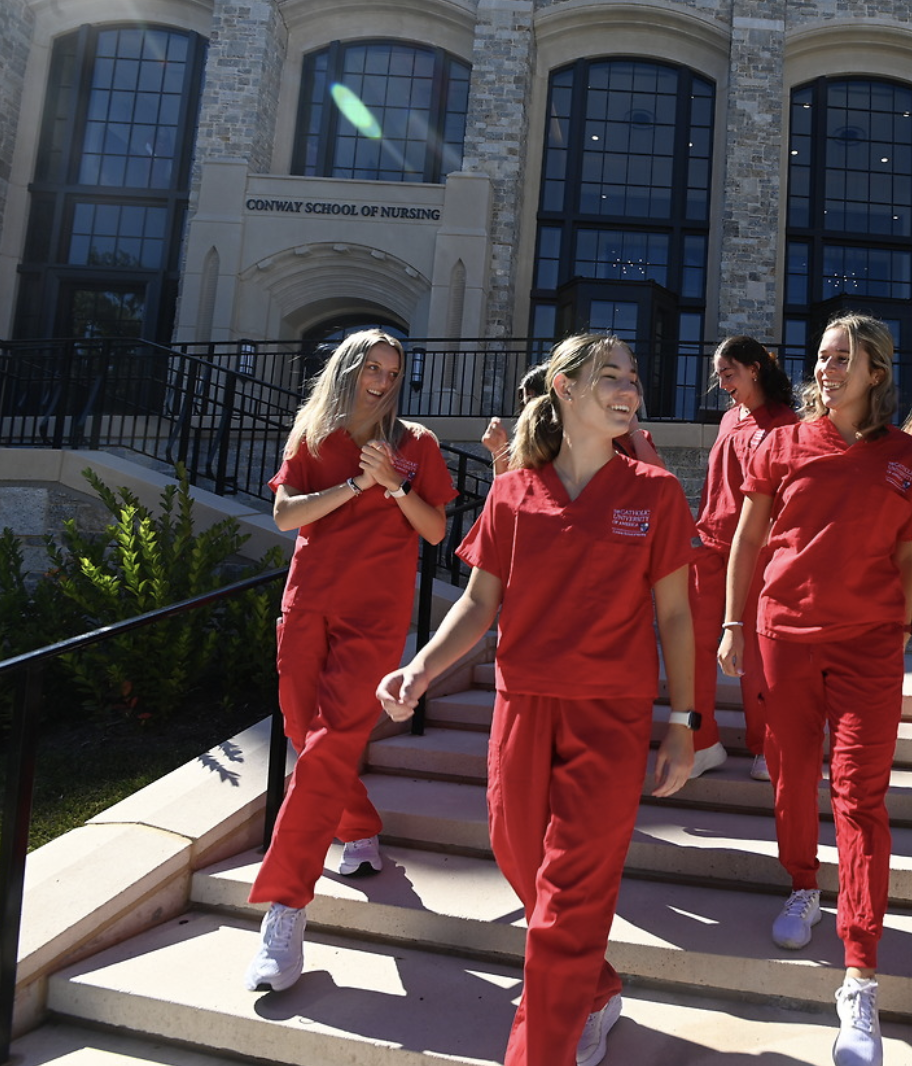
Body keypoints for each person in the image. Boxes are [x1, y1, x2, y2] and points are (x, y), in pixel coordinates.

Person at [376, 333, 697, 1066]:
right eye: (611, 375)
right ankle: (596, 986)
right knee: (521, 857)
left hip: (610, 714)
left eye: (634, 377)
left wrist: (684, 719)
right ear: (565, 387)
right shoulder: (515, 489)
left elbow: (676, 614)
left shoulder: (656, 492)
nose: (630, 389)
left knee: (563, 904)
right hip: (522, 706)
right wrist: (419, 669)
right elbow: (481, 601)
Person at [719, 313, 912, 1066]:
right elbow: (750, 537)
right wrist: (734, 624)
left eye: (844, 358)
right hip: (784, 636)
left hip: (869, 647)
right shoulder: (778, 443)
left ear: (877, 370)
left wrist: (909, 634)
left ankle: (860, 975)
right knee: (789, 775)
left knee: (861, 798)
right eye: (822, 357)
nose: (827, 368)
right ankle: (803, 884)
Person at [244, 329, 456, 993]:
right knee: (303, 733)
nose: (382, 380)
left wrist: (392, 485)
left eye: (392, 370)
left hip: (375, 614)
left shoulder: (416, 443)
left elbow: (437, 530)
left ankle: (286, 907)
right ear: (348, 368)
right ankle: (359, 826)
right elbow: (285, 515)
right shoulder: (312, 434)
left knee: (332, 745)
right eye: (372, 367)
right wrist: (355, 483)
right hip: (309, 602)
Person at [688, 335, 797, 780]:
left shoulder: (787, 423)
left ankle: (765, 746)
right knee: (693, 648)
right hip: (711, 547)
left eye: (728, 373)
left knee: (754, 654)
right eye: (719, 375)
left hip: (756, 553)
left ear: (755, 368)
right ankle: (700, 742)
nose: (723, 382)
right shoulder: (729, 419)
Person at [484, 362, 665, 475]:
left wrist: (634, 430)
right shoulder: (539, 440)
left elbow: (659, 480)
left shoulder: (623, 436)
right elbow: (508, 497)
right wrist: (498, 452)